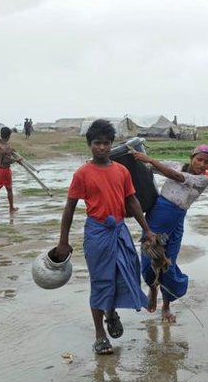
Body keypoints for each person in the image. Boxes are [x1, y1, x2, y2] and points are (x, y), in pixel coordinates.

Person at [53, 119, 157, 356]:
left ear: (111, 145)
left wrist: (147, 230)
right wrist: (63, 241)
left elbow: (132, 200)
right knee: (101, 281)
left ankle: (111, 313)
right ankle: (100, 335)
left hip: (120, 231)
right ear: (90, 145)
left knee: (125, 273)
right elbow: (69, 208)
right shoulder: (82, 174)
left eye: (106, 143)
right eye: (97, 143)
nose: (102, 147)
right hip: (97, 233)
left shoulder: (122, 171)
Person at [131, 144, 208, 323]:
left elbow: (176, 176)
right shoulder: (175, 165)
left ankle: (166, 306)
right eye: (199, 159)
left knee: (169, 262)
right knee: (149, 257)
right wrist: (135, 158)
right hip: (159, 213)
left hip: (176, 219)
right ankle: (153, 288)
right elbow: (150, 168)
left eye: (206, 162)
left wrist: (150, 160)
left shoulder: (203, 180)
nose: (202, 164)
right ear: (191, 157)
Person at [0, 126, 23, 217]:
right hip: (4, 170)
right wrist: (17, 160)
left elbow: (4, 154)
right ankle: (11, 207)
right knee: (9, 189)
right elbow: (7, 160)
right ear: (8, 136)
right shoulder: (6, 148)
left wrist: (12, 152)